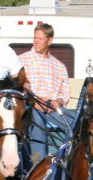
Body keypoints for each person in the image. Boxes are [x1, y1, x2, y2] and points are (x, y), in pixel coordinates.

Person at [19, 23, 72, 162]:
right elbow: (20, 85)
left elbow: (65, 92)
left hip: (53, 108)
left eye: (40, 39)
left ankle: (67, 159)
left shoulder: (59, 65)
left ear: (49, 41)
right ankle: (39, 165)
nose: (36, 41)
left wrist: (59, 101)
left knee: (76, 122)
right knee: (38, 124)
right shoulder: (22, 60)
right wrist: (34, 101)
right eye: (35, 38)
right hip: (32, 106)